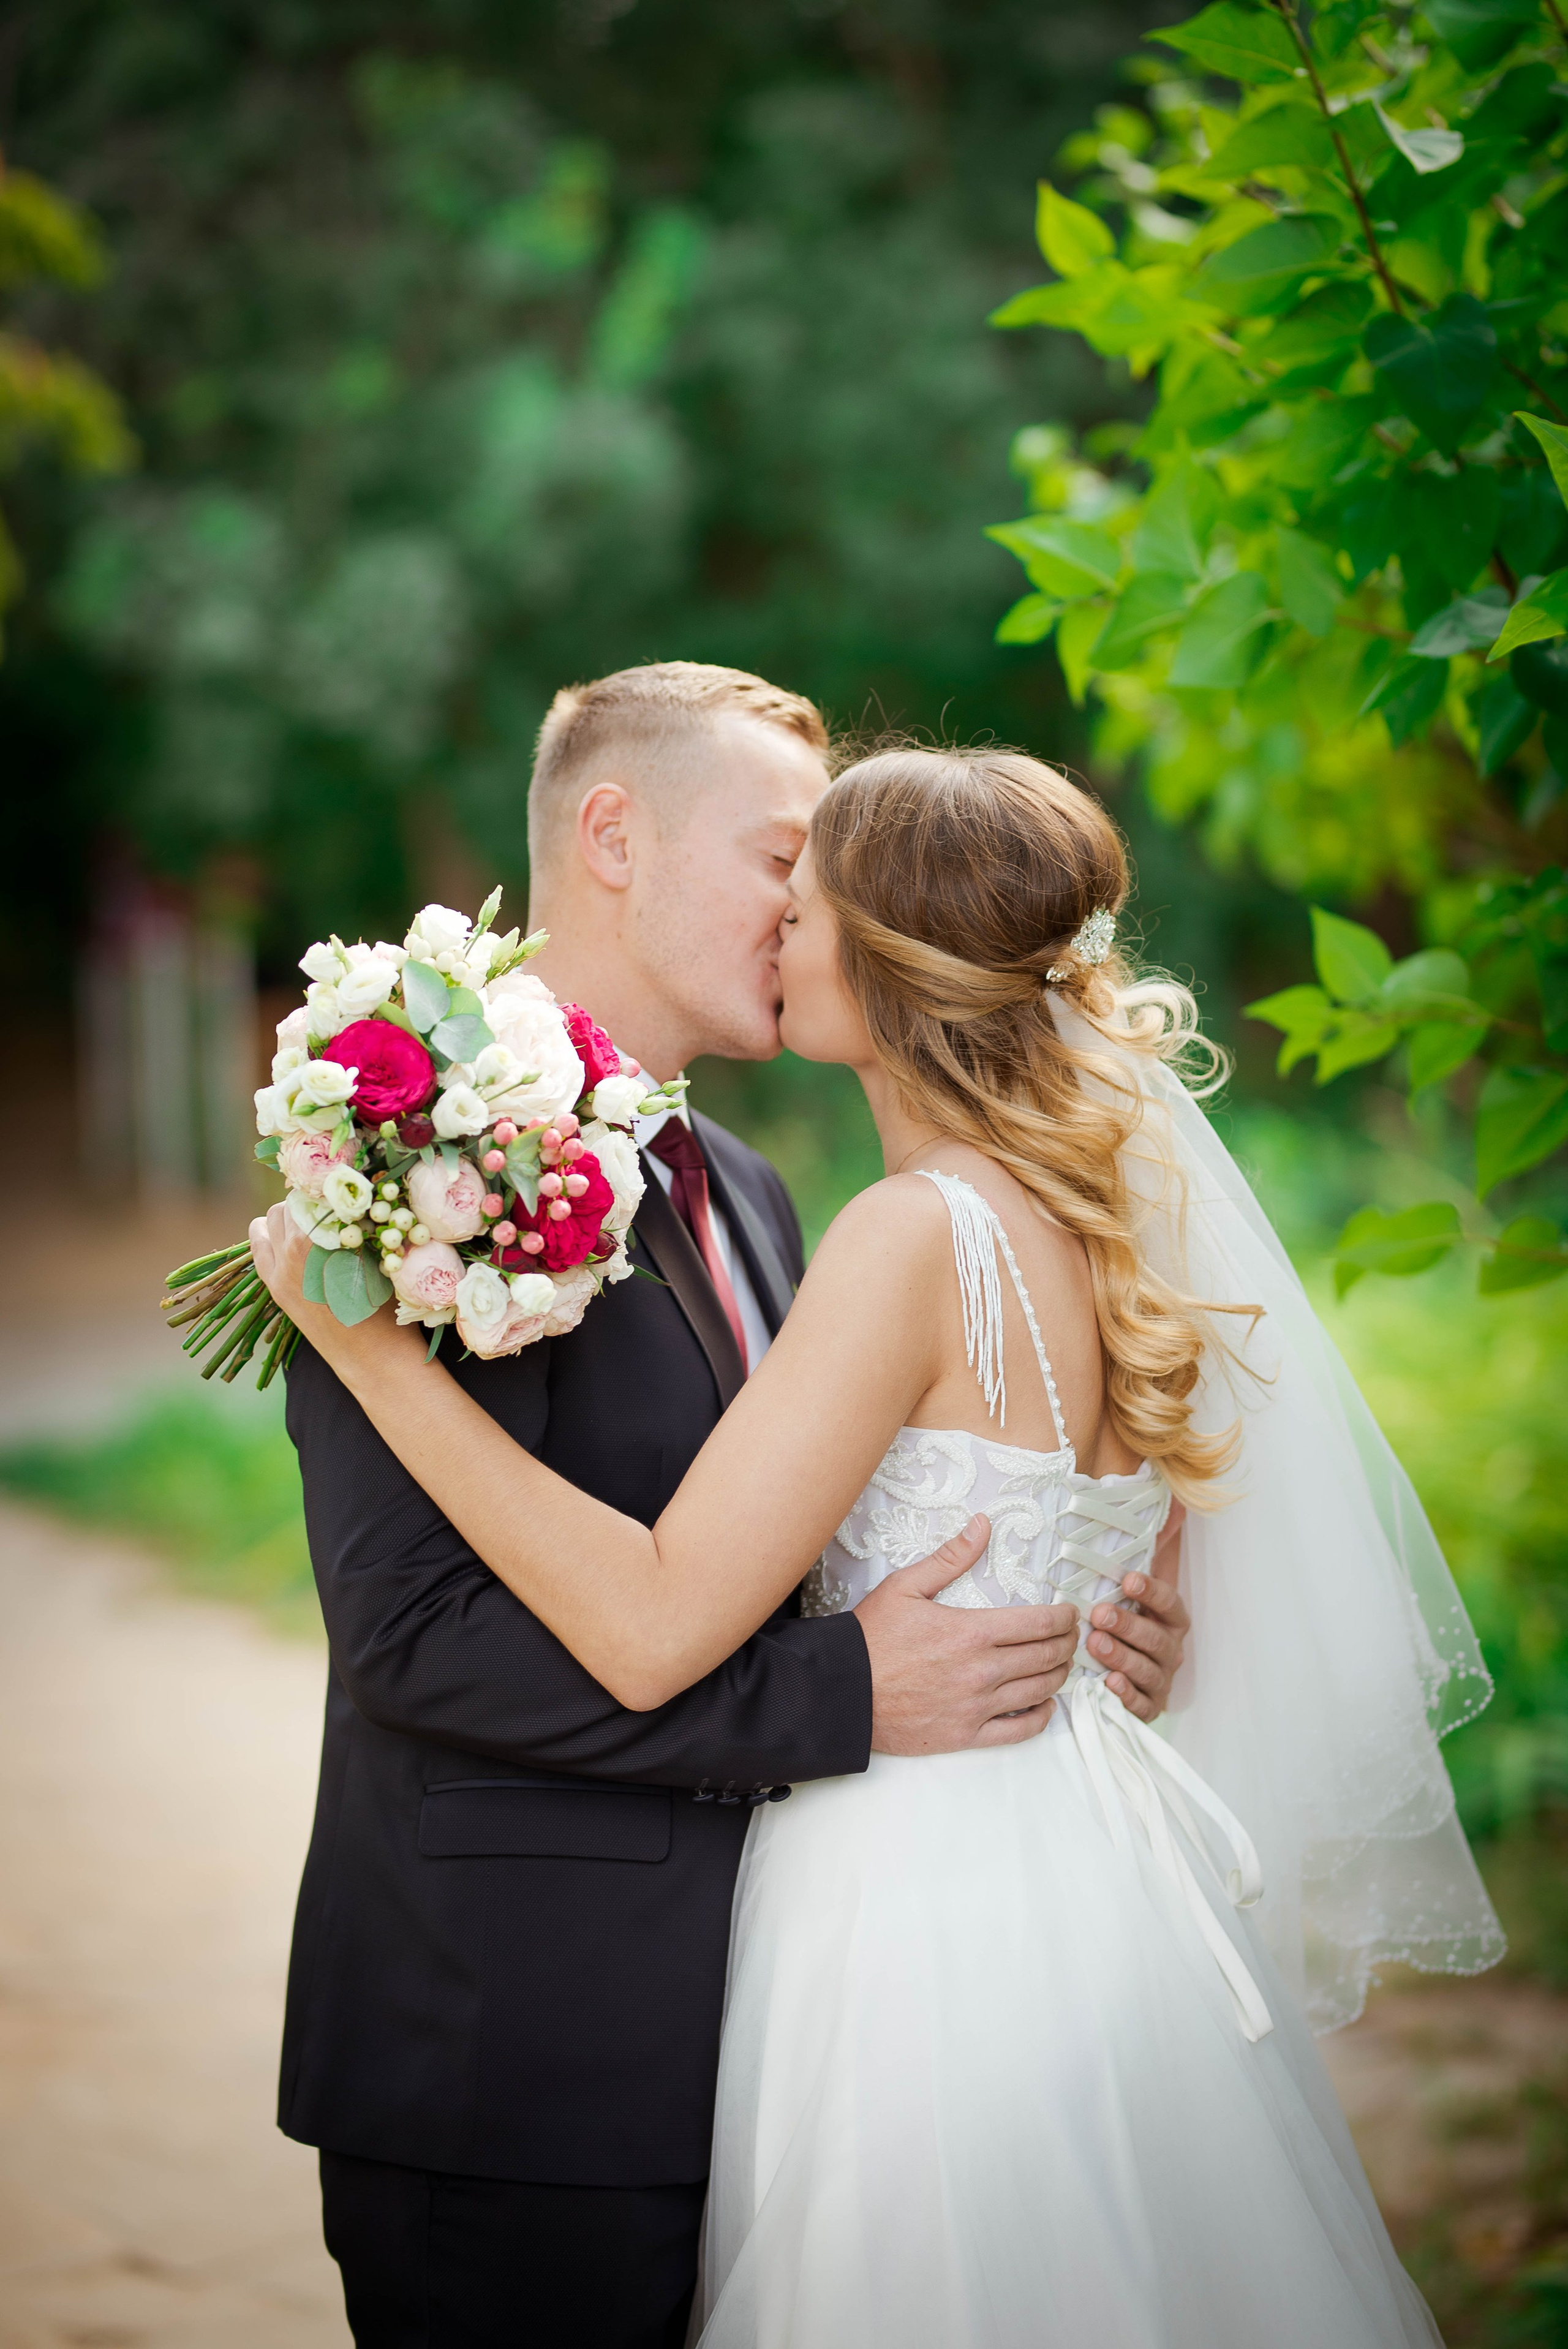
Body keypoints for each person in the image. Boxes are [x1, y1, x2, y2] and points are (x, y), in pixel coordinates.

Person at [257, 741, 1504, 2347]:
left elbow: (651, 1622)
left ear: (887, 953)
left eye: (809, 891)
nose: (780, 923)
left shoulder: (906, 1234)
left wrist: (360, 1350)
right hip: (1083, 1893)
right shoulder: (1096, 1228)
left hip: (923, 1918)